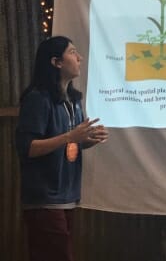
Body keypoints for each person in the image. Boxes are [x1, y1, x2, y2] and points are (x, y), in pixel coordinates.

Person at [15, 36, 109, 261]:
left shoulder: (73, 100)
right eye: (73, 52)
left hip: (67, 195)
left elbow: (68, 143)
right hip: (44, 198)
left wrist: (87, 139)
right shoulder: (38, 99)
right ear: (56, 62)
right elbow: (27, 147)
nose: (80, 58)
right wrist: (71, 136)